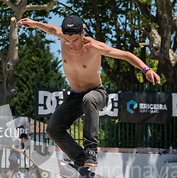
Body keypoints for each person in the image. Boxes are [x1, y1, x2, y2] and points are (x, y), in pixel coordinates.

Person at [18, 15, 160, 168]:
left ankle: (91, 151)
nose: (71, 45)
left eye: (75, 41)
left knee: (89, 99)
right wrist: (34, 23)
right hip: (74, 96)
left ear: (82, 33)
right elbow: (52, 29)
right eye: (67, 40)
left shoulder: (94, 47)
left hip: (96, 93)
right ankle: (80, 160)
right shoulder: (62, 37)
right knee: (53, 130)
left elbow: (126, 55)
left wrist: (146, 69)